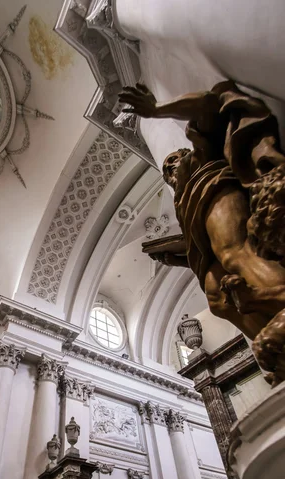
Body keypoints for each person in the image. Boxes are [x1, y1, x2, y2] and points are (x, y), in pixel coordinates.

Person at [119, 82, 285, 381]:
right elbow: (202, 243)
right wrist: (179, 257)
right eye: (166, 170)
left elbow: (208, 103)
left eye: (173, 161)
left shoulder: (203, 160)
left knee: (236, 257)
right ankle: (268, 339)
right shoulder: (184, 203)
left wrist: (156, 111)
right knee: (217, 297)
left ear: (187, 155)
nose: (169, 169)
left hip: (228, 219)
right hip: (213, 252)